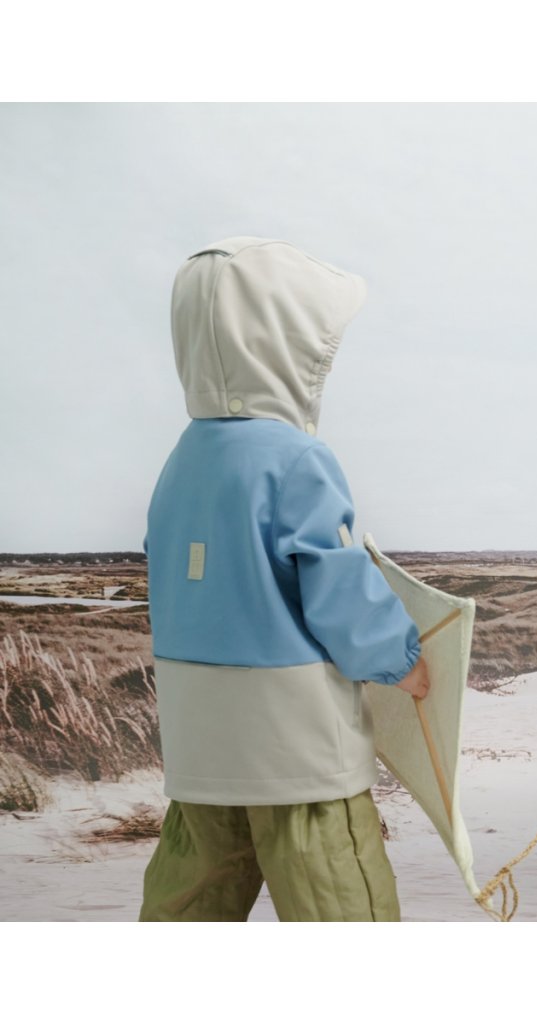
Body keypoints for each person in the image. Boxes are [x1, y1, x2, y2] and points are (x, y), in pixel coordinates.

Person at [139, 236, 429, 922]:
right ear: (286, 346)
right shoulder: (296, 458)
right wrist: (400, 659)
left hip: (198, 728)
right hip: (294, 735)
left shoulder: (182, 459)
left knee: (196, 884)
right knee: (335, 886)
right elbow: (337, 582)